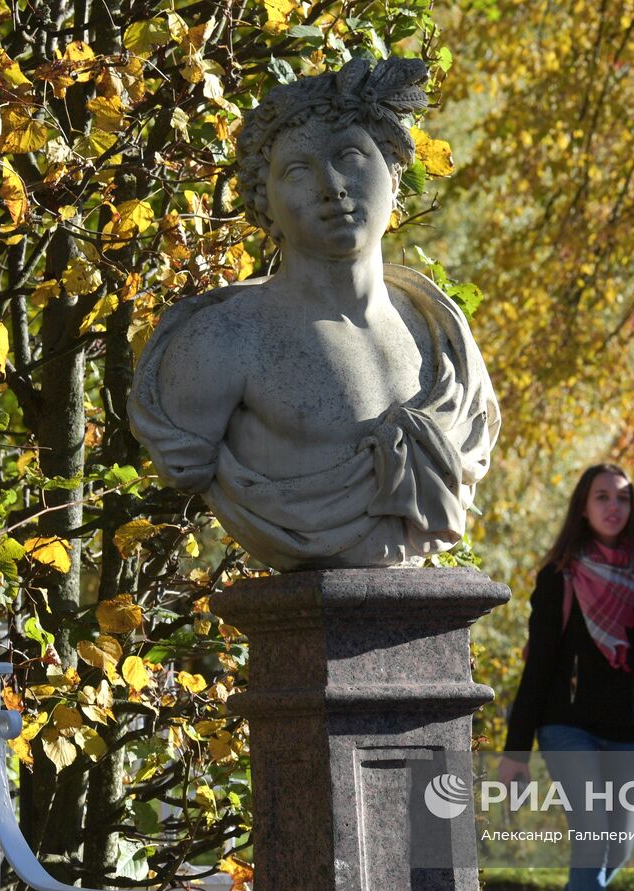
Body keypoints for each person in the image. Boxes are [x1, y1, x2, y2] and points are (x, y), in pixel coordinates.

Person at [128, 57, 500, 571]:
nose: (331, 185)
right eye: (298, 171)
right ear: (265, 201)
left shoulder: (443, 336)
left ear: (393, 175)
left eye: (350, 156)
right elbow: (184, 465)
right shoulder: (221, 341)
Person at [500, 464, 634, 891]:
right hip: (565, 727)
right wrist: (517, 753)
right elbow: (537, 670)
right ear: (583, 506)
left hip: (623, 732)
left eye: (622, 499)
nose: (612, 507)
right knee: (592, 835)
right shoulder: (559, 577)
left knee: (617, 851)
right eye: (601, 497)